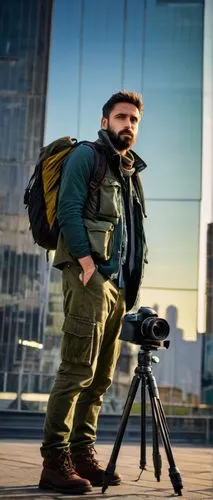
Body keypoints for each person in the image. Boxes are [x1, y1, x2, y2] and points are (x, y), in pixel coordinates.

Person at [39, 90, 148, 494]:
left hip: (117, 287)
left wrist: (128, 286)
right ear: (106, 122)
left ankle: (83, 454)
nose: (128, 124)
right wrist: (86, 263)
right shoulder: (88, 156)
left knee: (101, 377)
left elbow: (132, 235)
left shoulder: (130, 171)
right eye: (121, 117)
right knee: (76, 371)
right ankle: (54, 460)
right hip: (89, 276)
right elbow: (69, 208)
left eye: (134, 120)